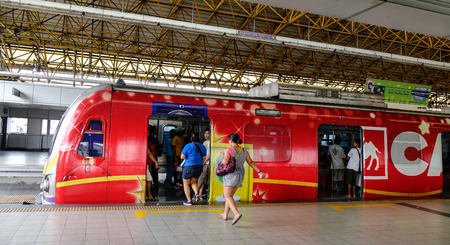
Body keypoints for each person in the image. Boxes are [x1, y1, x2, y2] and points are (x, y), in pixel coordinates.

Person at [220, 133, 266, 225]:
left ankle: (236, 214)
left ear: (231, 141)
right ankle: (225, 214)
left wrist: (223, 156)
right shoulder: (244, 151)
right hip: (240, 174)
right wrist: (259, 171)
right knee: (230, 196)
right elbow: (250, 162)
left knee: (227, 196)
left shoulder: (229, 150)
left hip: (231, 174)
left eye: (229, 140)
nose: (228, 142)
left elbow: (225, 163)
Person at [180, 134, 207, 205]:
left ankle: (189, 201)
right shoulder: (202, 146)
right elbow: (204, 158)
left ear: (192, 139)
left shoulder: (188, 146)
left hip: (188, 167)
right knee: (193, 181)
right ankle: (196, 193)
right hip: (198, 167)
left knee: (186, 183)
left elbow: (182, 157)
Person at [198, 128, 211, 201]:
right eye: (205, 133)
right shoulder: (205, 142)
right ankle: (200, 194)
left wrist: (204, 162)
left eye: (208, 133)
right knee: (203, 179)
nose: (206, 135)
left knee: (202, 178)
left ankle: (197, 194)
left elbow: (209, 154)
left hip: (207, 163)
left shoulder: (210, 143)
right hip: (205, 163)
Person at [146, 136, 159, 201]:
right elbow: (149, 155)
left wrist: (155, 162)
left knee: (149, 179)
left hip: (146, 165)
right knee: (147, 179)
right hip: (144, 165)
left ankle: (148, 194)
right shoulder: (149, 147)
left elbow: (149, 154)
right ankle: (147, 194)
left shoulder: (148, 146)